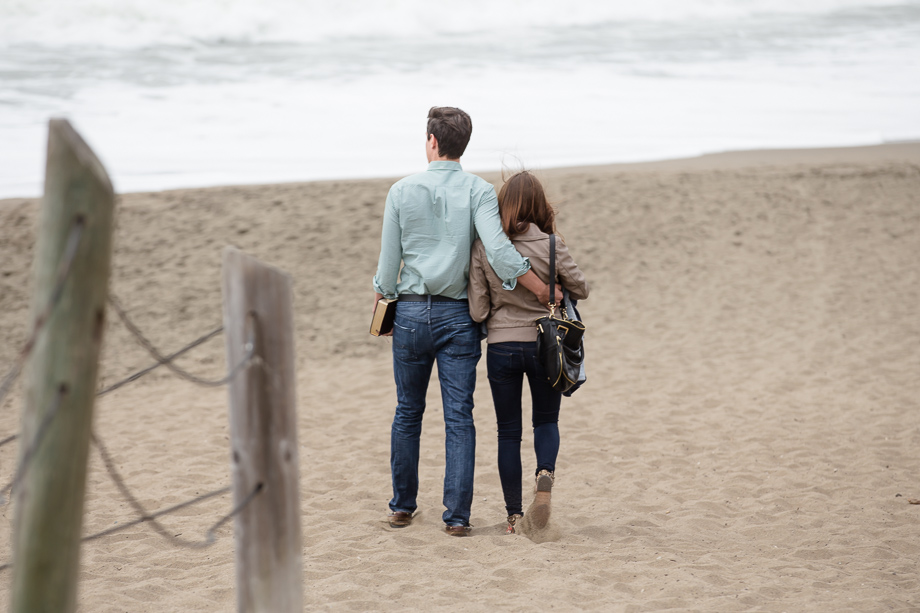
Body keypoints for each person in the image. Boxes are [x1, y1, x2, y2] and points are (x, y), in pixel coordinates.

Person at [372, 107, 560, 536]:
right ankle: (456, 518)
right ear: (463, 145)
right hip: (459, 316)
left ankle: (402, 506)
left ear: (432, 141)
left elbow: (387, 268)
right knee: (459, 416)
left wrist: (382, 301)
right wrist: (540, 288)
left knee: (407, 412)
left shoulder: (401, 191)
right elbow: (498, 252)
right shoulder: (478, 191)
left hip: (412, 313)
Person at [468, 170, 589, 535]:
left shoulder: (484, 248)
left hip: (502, 348)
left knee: (508, 431)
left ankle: (513, 517)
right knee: (546, 421)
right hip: (545, 345)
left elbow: (477, 310)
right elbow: (580, 287)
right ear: (540, 205)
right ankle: (544, 476)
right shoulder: (551, 244)